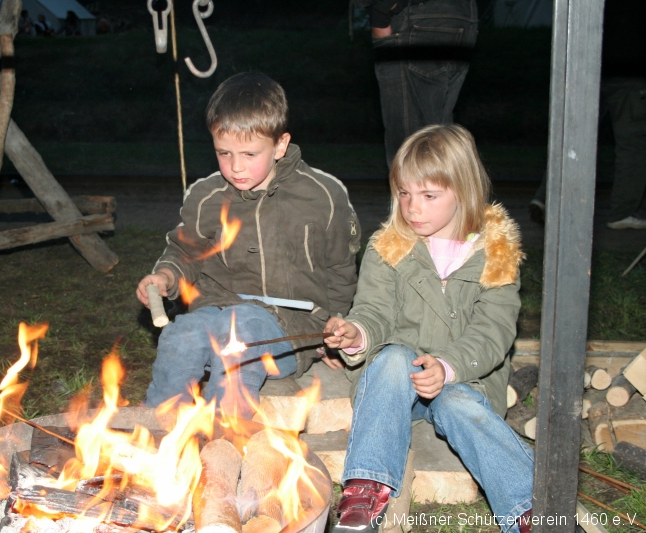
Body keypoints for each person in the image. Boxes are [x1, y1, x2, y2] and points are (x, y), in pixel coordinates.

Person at [323, 124, 533, 533]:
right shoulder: (389, 248)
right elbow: (374, 311)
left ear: (464, 191)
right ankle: (366, 487)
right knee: (393, 357)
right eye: (404, 193)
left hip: (466, 380)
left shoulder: (495, 254)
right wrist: (357, 334)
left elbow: (493, 331)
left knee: (457, 404)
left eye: (428, 195)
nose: (412, 208)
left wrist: (448, 366)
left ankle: (531, 510)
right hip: (394, 387)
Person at [136, 72, 361, 417]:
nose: (236, 167)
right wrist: (166, 276)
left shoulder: (323, 197)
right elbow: (185, 252)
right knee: (182, 334)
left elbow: (341, 271)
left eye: (249, 153)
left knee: (241, 328)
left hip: (293, 328)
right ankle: (157, 428)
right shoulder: (208, 196)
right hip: (216, 310)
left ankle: (224, 433)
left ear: (280, 145)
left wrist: (335, 332)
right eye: (223, 153)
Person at [529, 0, 646, 229]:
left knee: (573, 136)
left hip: (588, 63)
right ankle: (622, 212)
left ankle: (546, 197)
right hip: (628, 67)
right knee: (632, 144)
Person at [361, 0, 478, 170]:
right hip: (461, 16)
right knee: (439, 140)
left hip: (416, 18)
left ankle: (417, 187)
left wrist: (380, 14)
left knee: (412, 148)